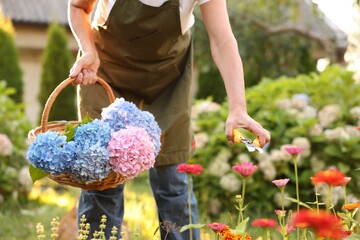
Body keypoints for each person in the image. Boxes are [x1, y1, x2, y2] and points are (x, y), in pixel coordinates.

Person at [67, 0, 271, 239]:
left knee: (174, 182)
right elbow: (78, 6)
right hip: (105, 73)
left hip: (167, 81)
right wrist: (89, 51)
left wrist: (238, 107)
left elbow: (223, 39)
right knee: (102, 180)